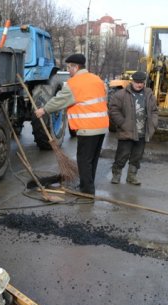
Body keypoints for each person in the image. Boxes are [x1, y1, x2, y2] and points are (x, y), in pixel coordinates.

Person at [35, 53, 109, 199]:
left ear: (75, 67)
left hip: (88, 127)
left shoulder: (75, 83)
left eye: (69, 67)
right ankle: (88, 185)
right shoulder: (97, 80)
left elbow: (59, 100)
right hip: (101, 126)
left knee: (84, 160)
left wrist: (43, 110)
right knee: (92, 160)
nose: (68, 70)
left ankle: (86, 191)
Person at [108, 71, 158, 185]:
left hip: (142, 132)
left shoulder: (149, 95)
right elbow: (113, 110)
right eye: (137, 82)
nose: (139, 85)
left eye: (141, 82)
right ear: (132, 81)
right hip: (127, 132)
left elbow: (154, 111)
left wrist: (153, 124)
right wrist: (122, 123)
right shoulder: (121, 94)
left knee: (137, 156)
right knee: (122, 155)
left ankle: (131, 177)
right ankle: (116, 175)